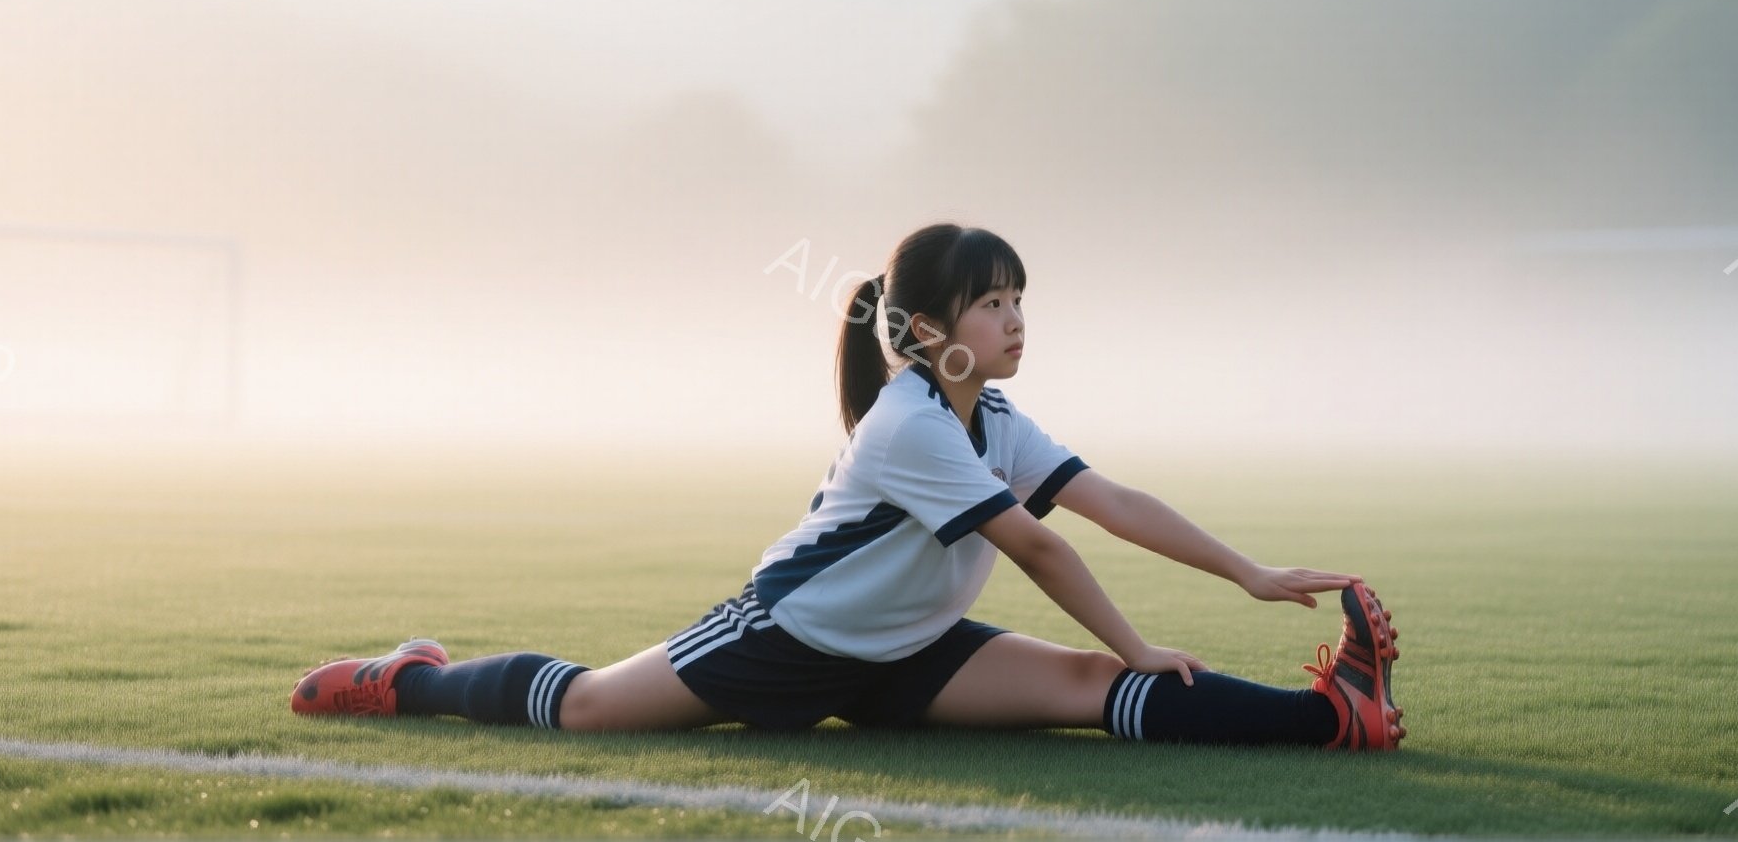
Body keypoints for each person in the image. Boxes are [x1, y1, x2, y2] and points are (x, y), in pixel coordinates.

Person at [291, 223, 1405, 750]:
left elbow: (1108, 503)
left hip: (911, 646)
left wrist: (1250, 573)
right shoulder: (910, 422)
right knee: (588, 711)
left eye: (1020, 297)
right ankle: (410, 682)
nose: (1015, 320)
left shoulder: (994, 416)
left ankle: (1334, 716)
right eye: (990, 303)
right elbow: (1043, 548)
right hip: (791, 634)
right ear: (926, 331)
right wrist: (1138, 642)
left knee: (1079, 690)